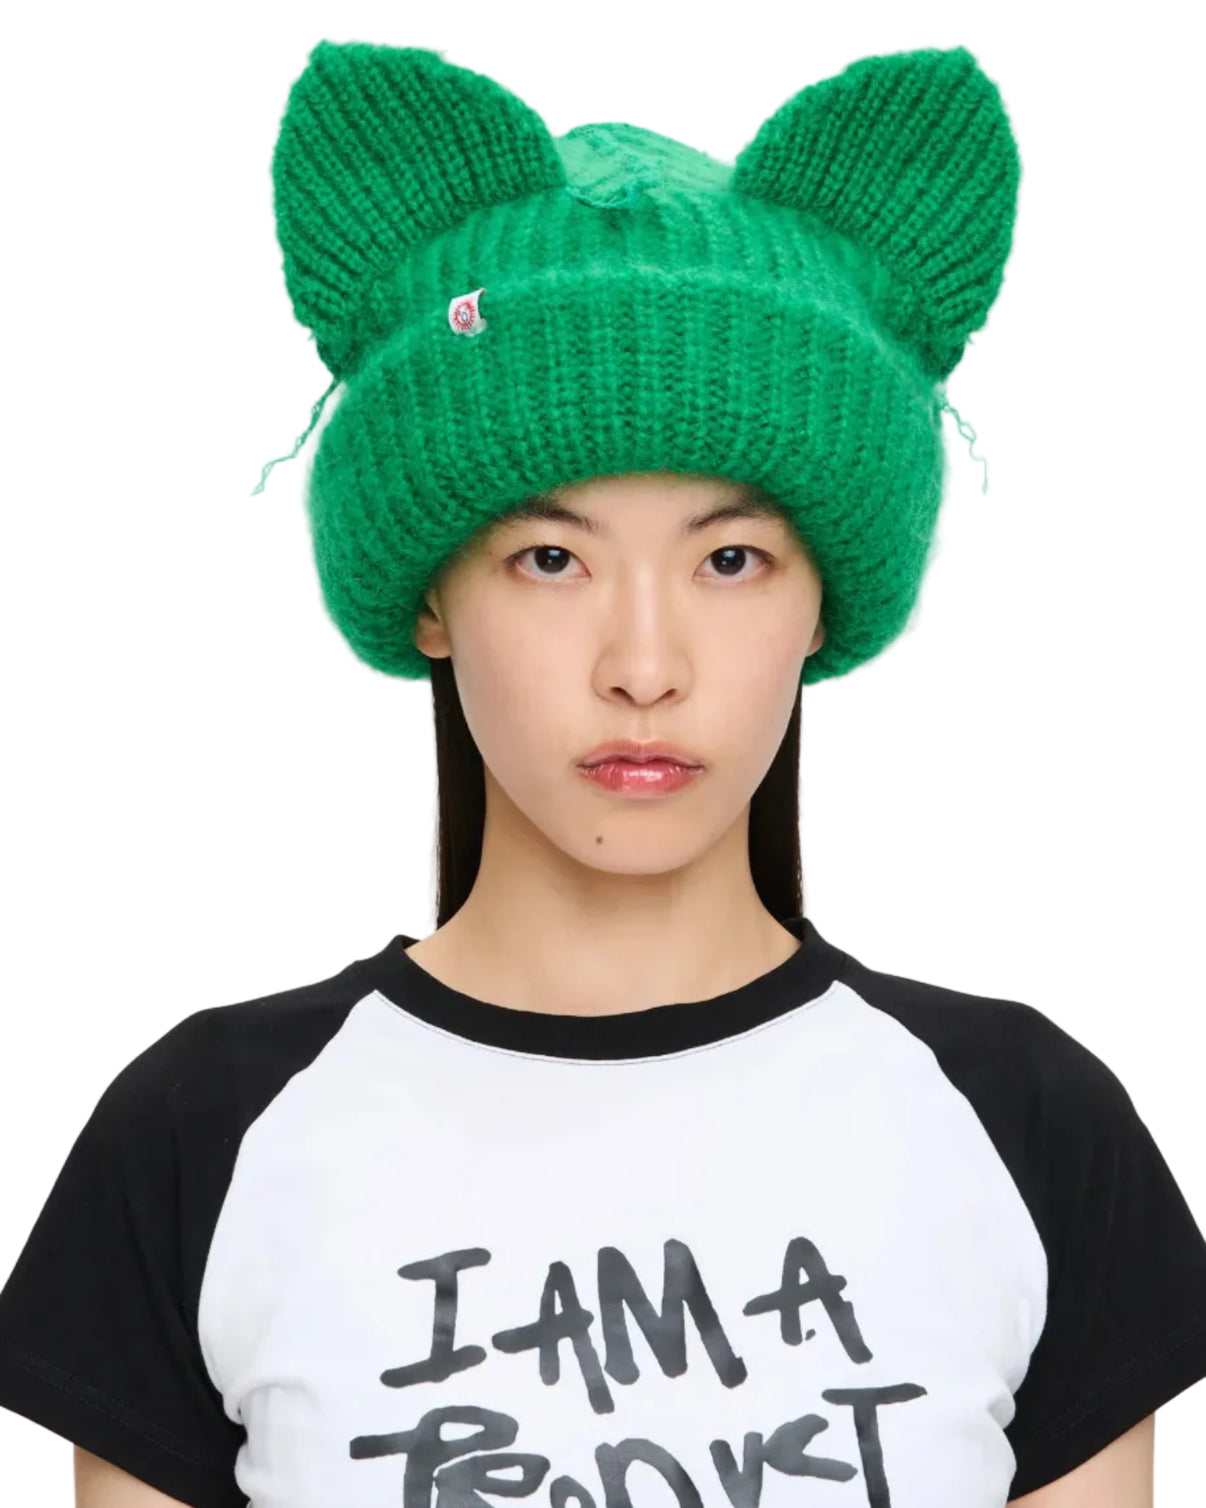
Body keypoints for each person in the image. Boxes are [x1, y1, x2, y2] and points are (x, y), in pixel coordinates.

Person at [1, 36, 1204, 1508]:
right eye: (551, 559)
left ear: (822, 605)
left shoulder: (1026, 1127)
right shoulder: (204, 1134)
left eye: (732, 558)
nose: (644, 662)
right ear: (432, 598)